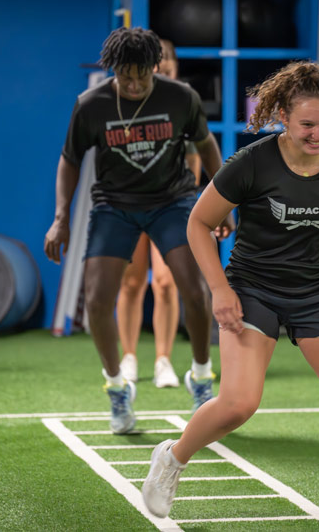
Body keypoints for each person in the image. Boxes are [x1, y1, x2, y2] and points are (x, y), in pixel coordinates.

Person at [140, 61, 319, 522]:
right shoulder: (252, 163)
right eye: (307, 125)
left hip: (317, 293)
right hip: (253, 289)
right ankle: (172, 458)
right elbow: (198, 222)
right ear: (282, 116)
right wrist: (219, 289)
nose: (318, 134)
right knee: (239, 404)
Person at [44, 27, 232, 434]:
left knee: (194, 290)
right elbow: (69, 161)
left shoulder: (180, 97)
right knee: (96, 300)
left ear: (155, 67)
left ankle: (200, 377)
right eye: (123, 76)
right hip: (115, 205)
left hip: (173, 201)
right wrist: (61, 218)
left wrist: (221, 203)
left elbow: (206, 146)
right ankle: (117, 388)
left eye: (141, 76)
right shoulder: (90, 105)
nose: (132, 84)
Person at [116, 39, 202, 390]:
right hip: (130, 203)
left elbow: (195, 156)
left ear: (175, 68)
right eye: (157, 67)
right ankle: (130, 357)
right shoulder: (126, 104)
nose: (163, 71)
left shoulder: (185, 102)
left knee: (165, 282)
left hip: (171, 205)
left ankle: (164, 359)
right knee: (131, 281)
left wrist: (189, 200)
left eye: (168, 66)